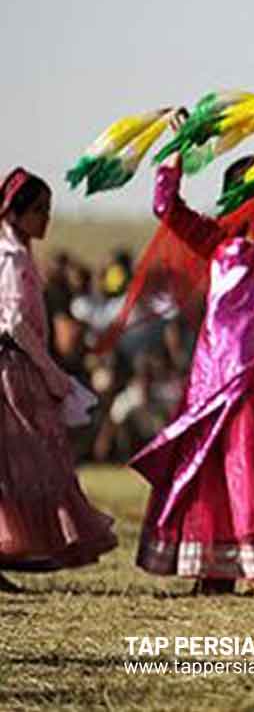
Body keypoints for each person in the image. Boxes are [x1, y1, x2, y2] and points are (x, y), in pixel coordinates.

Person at [116, 107, 254, 596]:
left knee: (252, 461)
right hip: (214, 372)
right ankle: (214, 568)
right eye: (240, 188)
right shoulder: (215, 238)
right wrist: (177, 150)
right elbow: (165, 207)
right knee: (209, 465)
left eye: (251, 187)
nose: (242, 197)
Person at [0, 168, 116, 591]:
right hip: (14, 368)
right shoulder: (10, 259)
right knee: (29, 459)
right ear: (16, 213)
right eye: (39, 211)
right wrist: (47, 369)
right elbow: (13, 320)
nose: (46, 219)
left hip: (19, 364)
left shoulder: (21, 255)